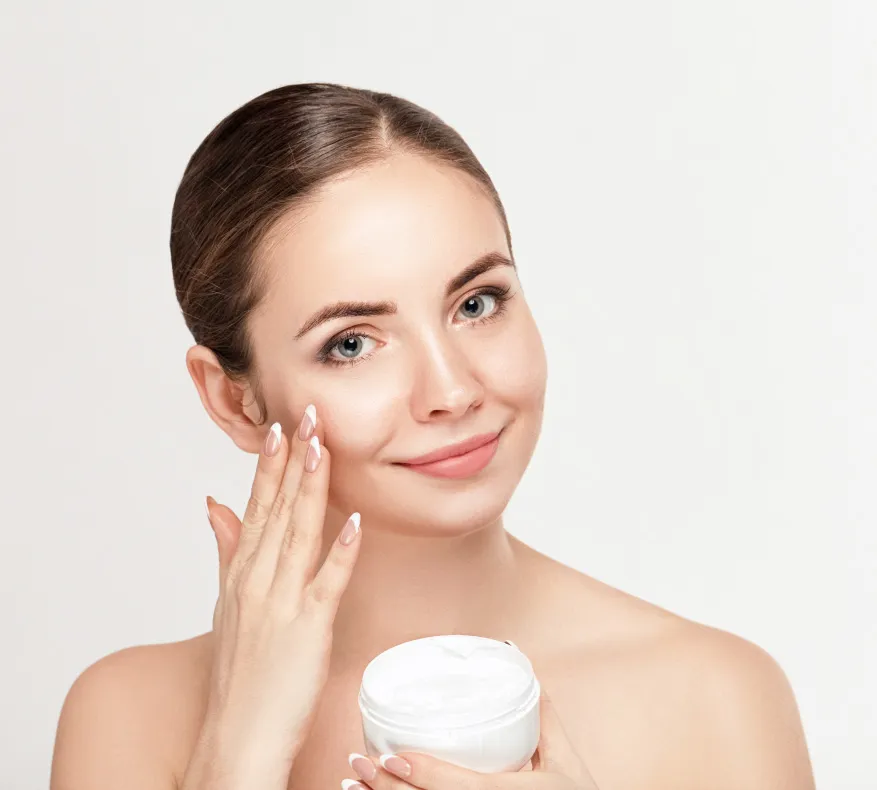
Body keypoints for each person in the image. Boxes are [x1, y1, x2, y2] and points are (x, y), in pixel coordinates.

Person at [50, 82, 816, 790]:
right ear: (234, 400)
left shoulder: (713, 700)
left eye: (477, 304)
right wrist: (238, 751)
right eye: (351, 343)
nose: (451, 390)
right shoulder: (130, 718)